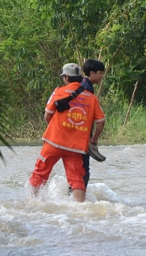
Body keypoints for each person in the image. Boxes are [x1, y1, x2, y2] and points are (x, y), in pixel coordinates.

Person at [28, 63, 105, 203]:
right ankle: (81, 208)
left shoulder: (58, 91)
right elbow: (101, 121)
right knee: (77, 179)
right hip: (75, 147)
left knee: (40, 172)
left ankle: (31, 203)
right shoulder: (92, 98)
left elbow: (47, 115)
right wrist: (94, 140)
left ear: (67, 77)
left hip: (54, 142)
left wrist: (56, 129)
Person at [79, 59, 107, 189]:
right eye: (100, 73)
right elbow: (100, 121)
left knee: (77, 169)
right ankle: (76, 199)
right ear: (92, 73)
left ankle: (71, 198)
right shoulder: (87, 89)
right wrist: (94, 139)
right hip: (83, 136)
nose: (102, 76)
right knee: (83, 171)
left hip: (76, 133)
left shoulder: (81, 85)